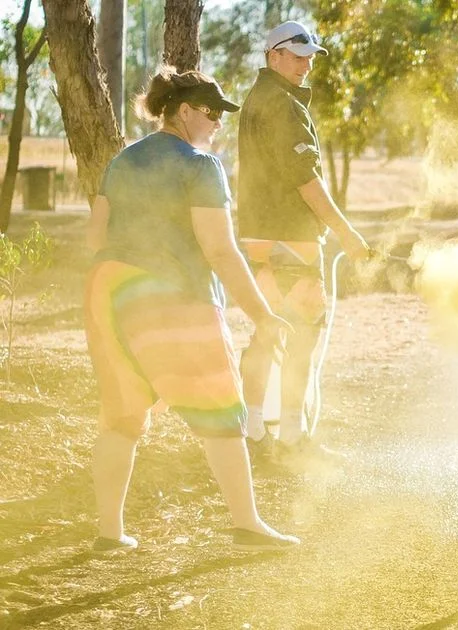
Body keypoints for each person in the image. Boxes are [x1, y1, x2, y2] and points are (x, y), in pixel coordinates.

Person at [83, 67, 299, 553]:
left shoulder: (122, 161)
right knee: (221, 409)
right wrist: (263, 315)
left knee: (121, 415)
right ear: (183, 111)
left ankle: (110, 533)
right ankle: (248, 525)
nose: (219, 122)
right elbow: (220, 250)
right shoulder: (200, 166)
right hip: (175, 295)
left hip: (110, 293)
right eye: (211, 112)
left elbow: (95, 238)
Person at [237, 21, 374, 464]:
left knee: (266, 330)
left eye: (310, 57)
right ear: (273, 56)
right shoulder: (282, 104)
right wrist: (346, 233)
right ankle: (291, 437)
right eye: (298, 57)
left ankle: (254, 431)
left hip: (258, 236)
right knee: (301, 333)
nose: (307, 65)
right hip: (290, 238)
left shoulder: (258, 98)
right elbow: (306, 180)